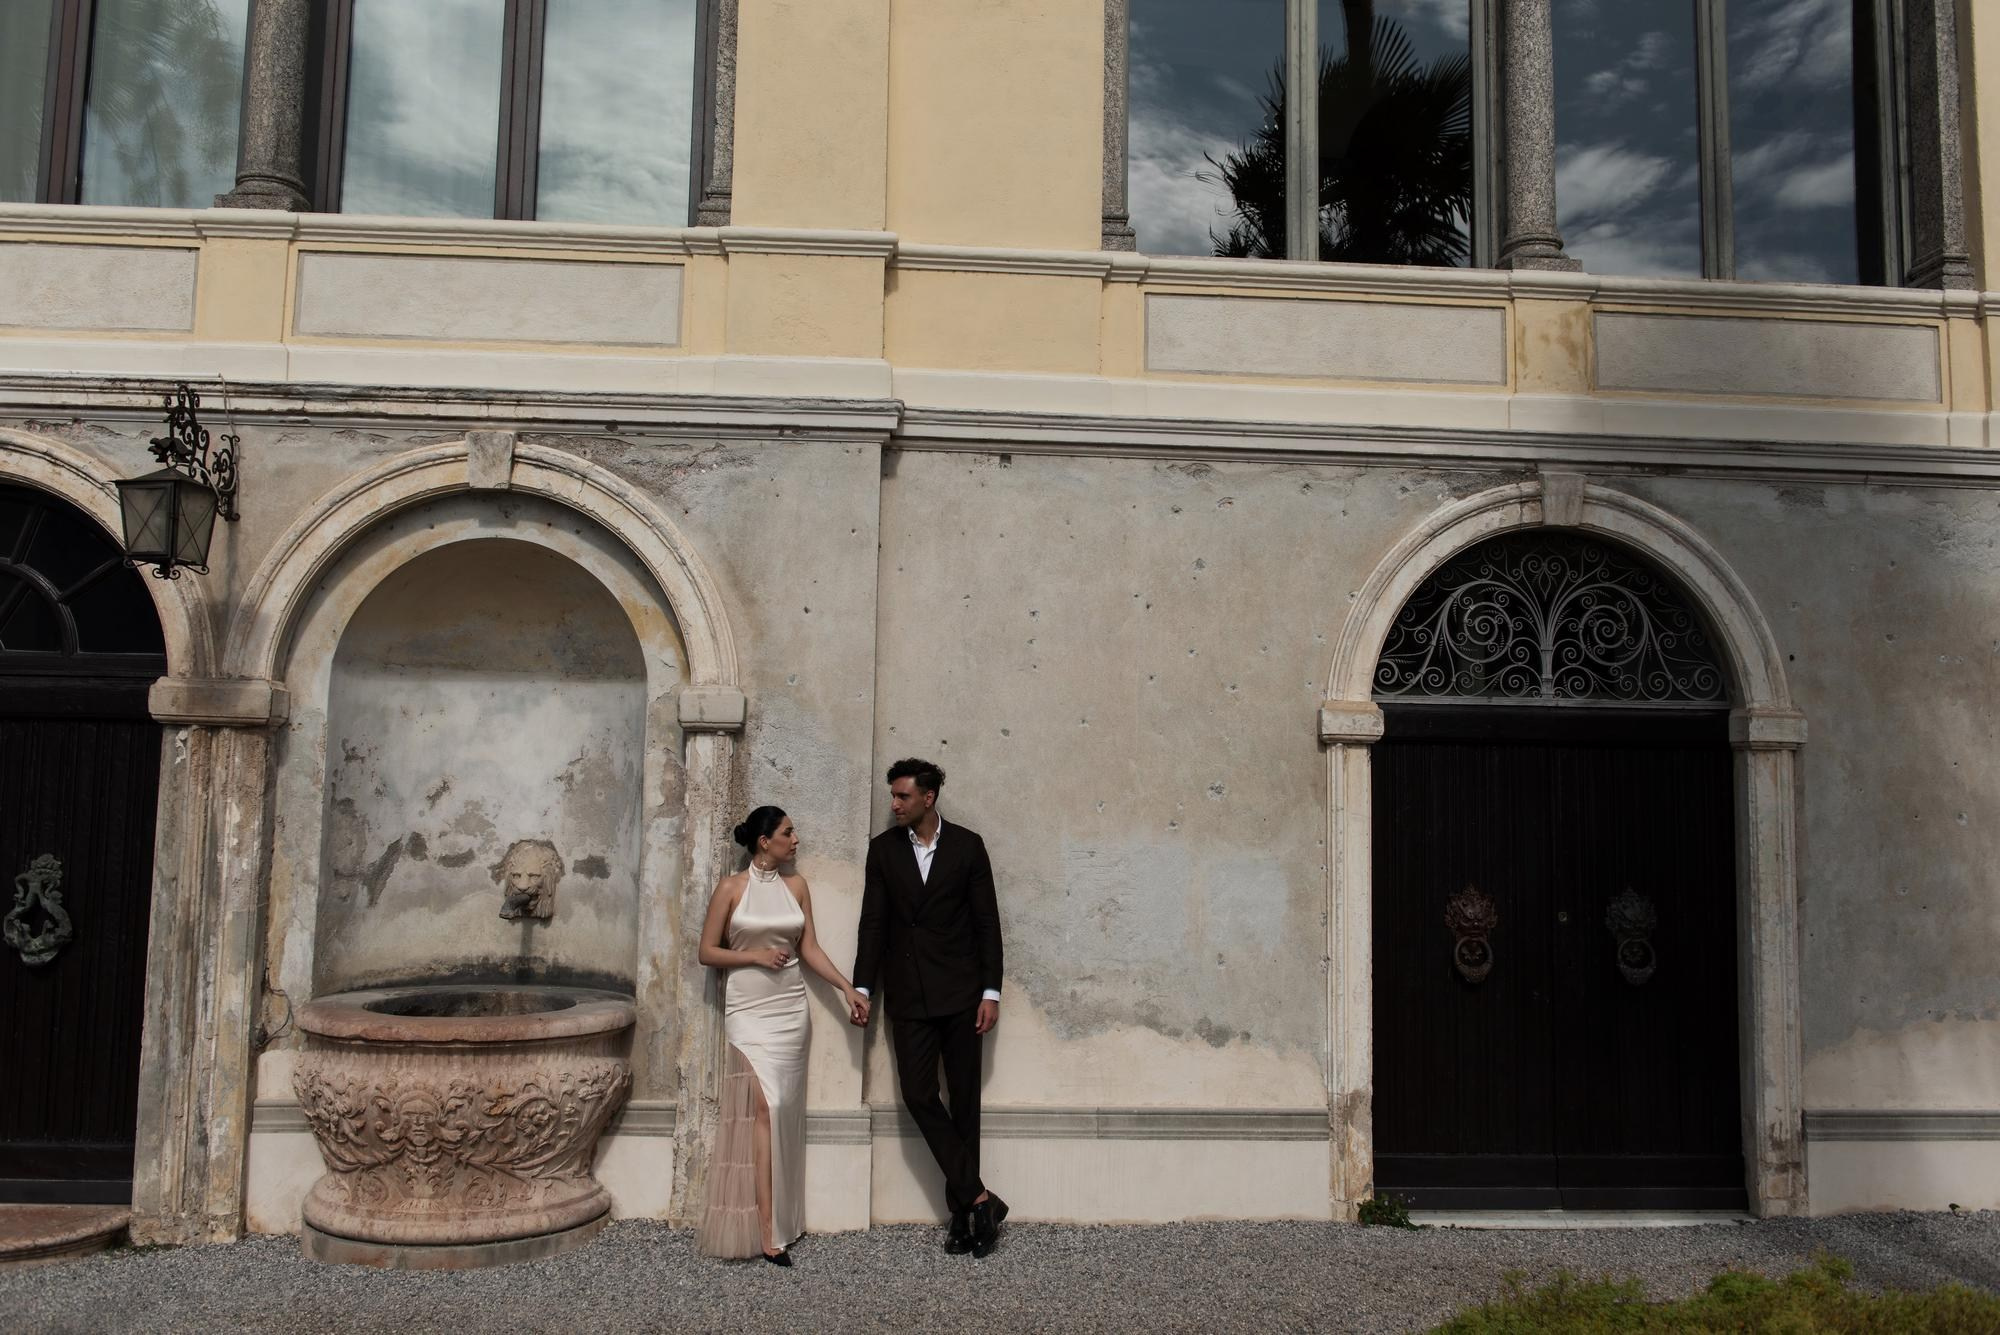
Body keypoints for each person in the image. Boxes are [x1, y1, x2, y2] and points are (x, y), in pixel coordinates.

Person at [851, 758, 1009, 1257]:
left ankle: (963, 1218)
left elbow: (987, 924)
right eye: (892, 796)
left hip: (963, 995)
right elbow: (872, 924)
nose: (893, 805)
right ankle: (980, 1197)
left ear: (928, 798)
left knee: (964, 1104)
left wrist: (991, 992)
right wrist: (863, 987)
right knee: (920, 1095)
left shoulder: (968, 846)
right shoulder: (883, 850)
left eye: (901, 797)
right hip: (909, 995)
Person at [696, 806, 867, 1265]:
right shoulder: (731, 888)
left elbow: (808, 947)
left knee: (783, 1111)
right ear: (764, 840)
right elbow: (706, 951)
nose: (796, 840)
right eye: (789, 832)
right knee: (765, 1107)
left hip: (791, 1011)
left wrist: (846, 988)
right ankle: (767, 1230)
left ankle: (781, 1222)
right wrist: (753, 958)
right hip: (748, 1011)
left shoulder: (797, 887)